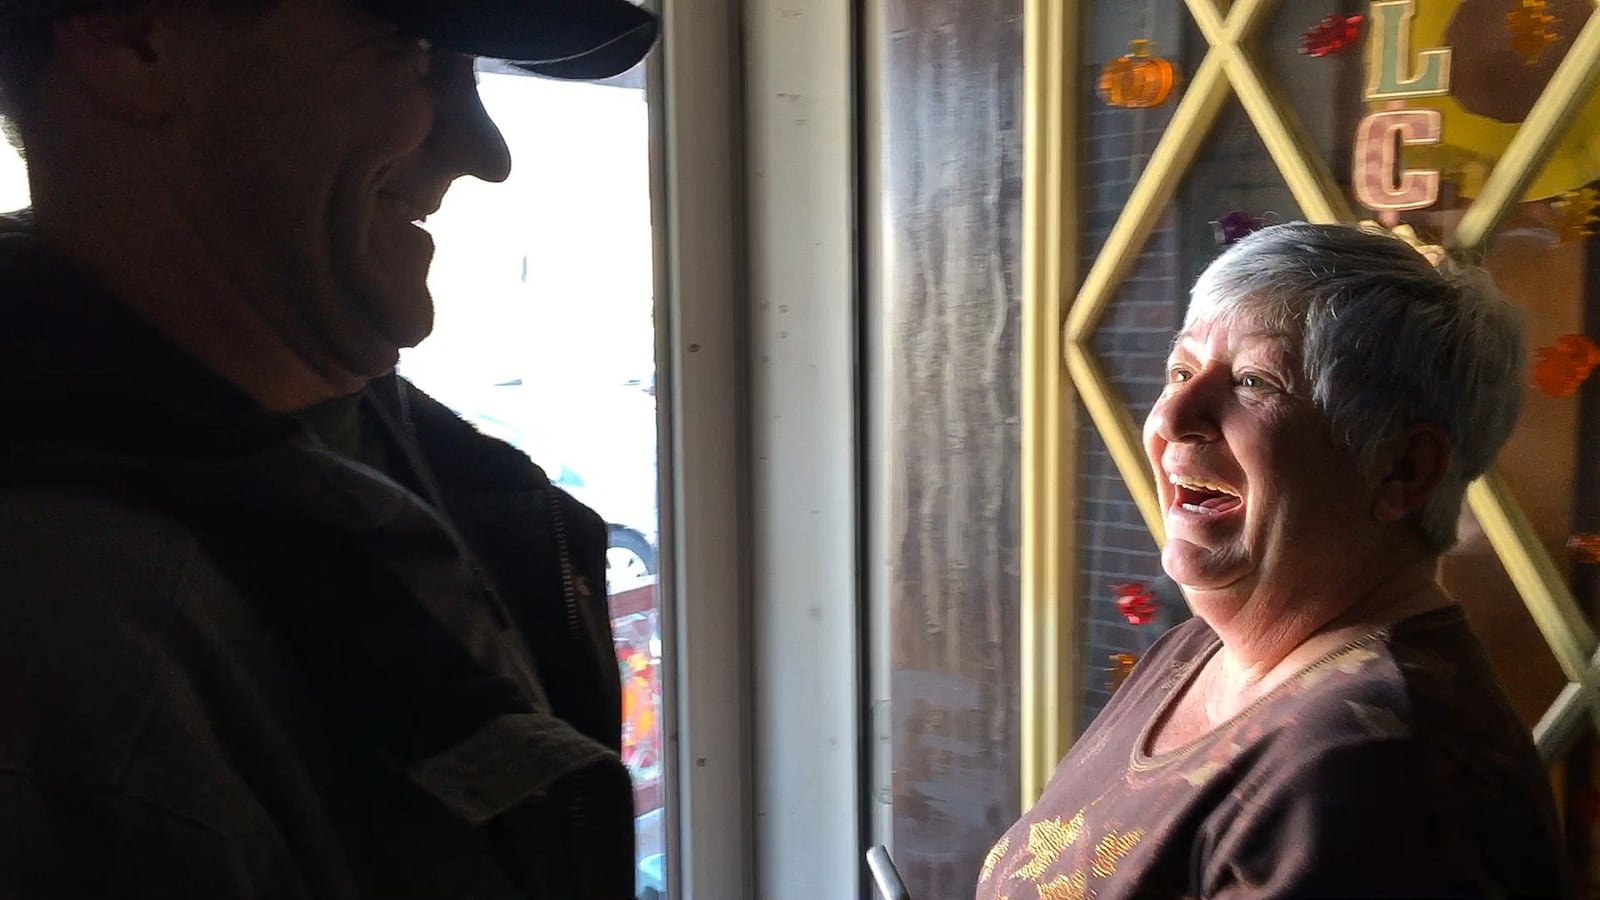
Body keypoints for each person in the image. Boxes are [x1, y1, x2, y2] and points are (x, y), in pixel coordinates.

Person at [0, 0, 656, 896]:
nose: (484, 153)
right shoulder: (60, 652)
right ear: (133, 36)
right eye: (417, 50)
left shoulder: (378, 452)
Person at [977, 222, 1572, 899]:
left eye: (1256, 381)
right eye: (1180, 369)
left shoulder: (1376, 771)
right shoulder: (1192, 651)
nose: (1173, 415)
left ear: (1401, 469)